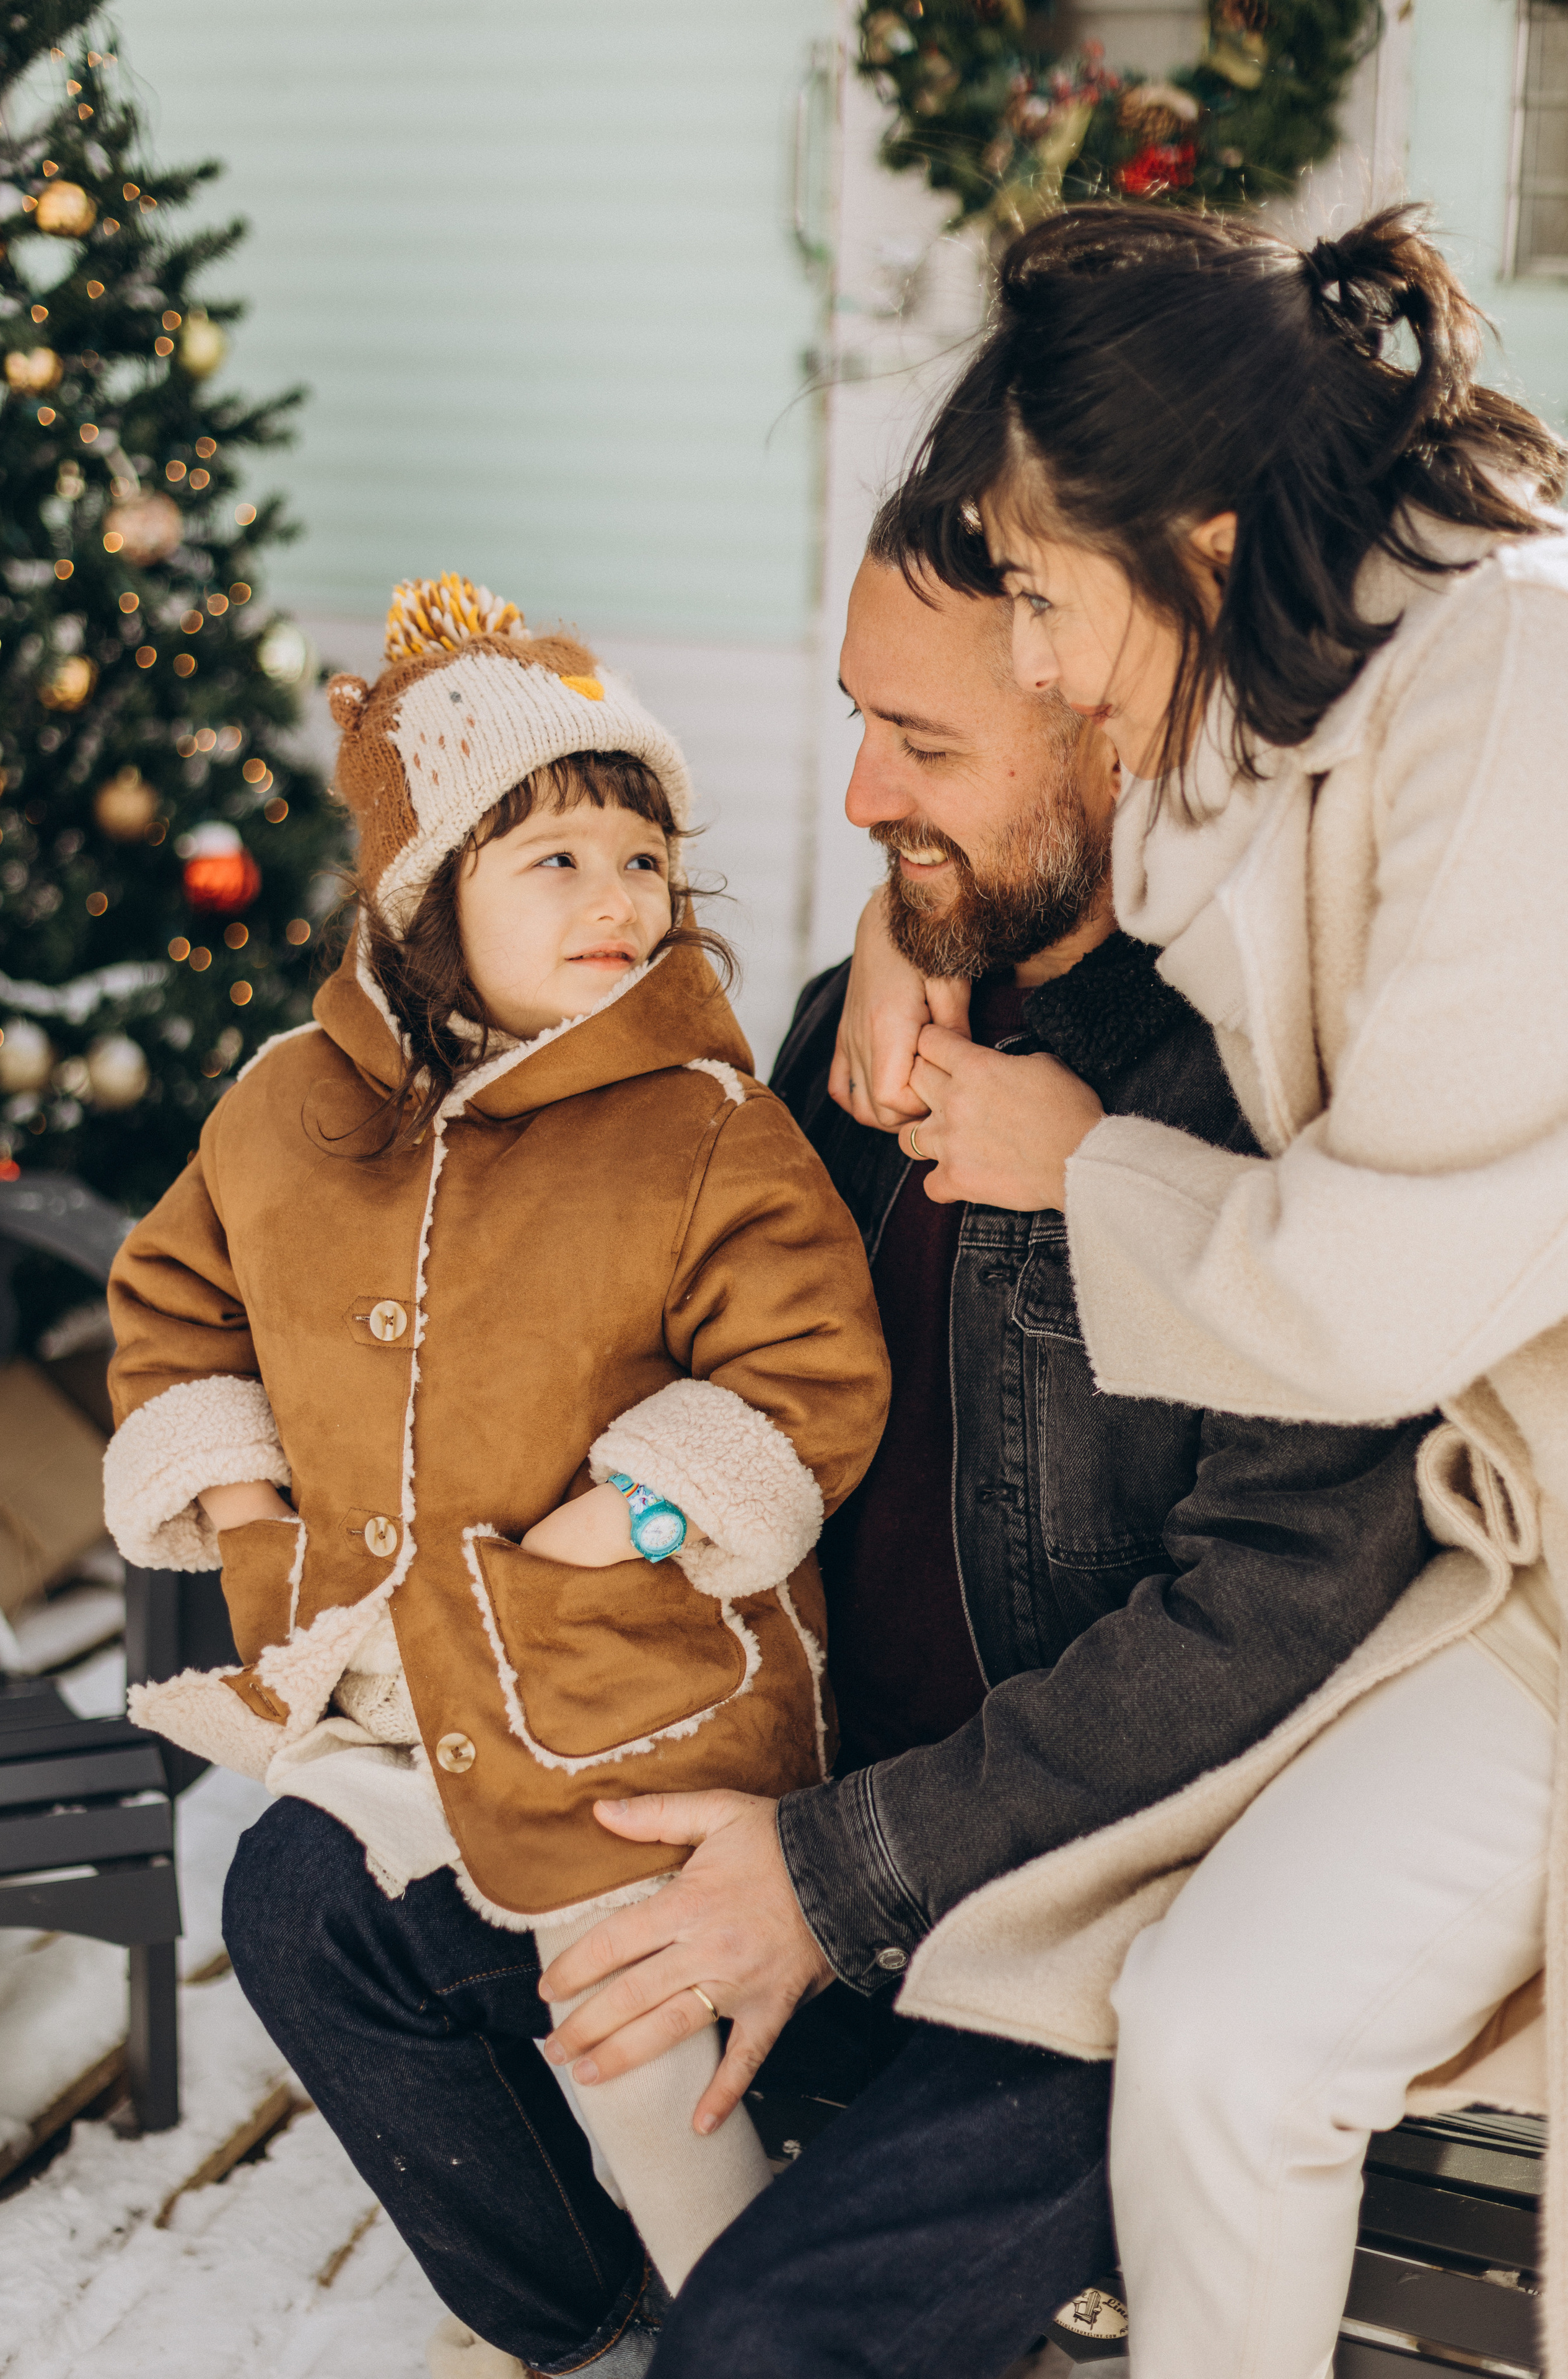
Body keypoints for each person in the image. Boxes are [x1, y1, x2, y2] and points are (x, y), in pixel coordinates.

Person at [533, 511, 1438, 2379]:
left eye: (924, 746)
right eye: (858, 722)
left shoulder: (1256, 1095)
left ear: (1115, 726)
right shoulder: (860, 1019)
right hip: (806, 1801)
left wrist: (836, 1872)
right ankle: (611, 2307)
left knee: (769, 2347)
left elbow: (1273, 1615)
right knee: (320, 1907)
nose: (863, 792)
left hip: (1061, 1898)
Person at [826, 201, 1568, 2379]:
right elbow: (1095, 857)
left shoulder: (1511, 682)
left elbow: (1377, 1285)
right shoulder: (1280, 658)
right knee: (1202, 2022)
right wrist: (909, 913)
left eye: (1046, 590)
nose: (1040, 656)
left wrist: (1087, 1172)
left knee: (1233, 2038)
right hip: (1487, 1545)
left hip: (1500, 1541)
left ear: (1204, 534)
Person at [101, 577, 889, 2375]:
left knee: (631, 2048)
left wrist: (645, 1513)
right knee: (305, 1908)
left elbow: (810, 1365)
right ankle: (549, 2305)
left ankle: (752, 2321)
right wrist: (242, 1514)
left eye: (641, 858)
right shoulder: (285, 1111)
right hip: (380, 1686)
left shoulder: (700, 1124)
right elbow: (172, 1305)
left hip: (625, 1691)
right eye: (555, 863)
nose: (618, 899)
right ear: (429, 898)